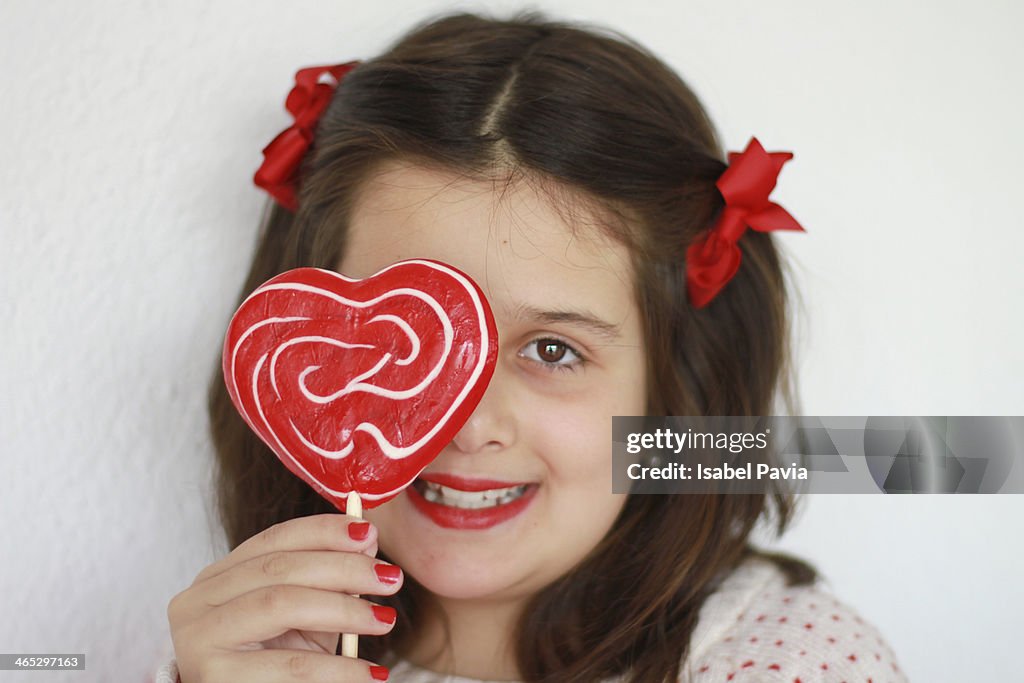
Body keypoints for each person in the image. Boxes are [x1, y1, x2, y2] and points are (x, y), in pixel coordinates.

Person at [156, 10, 906, 683]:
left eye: (551, 350)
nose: (469, 423)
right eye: (400, 342)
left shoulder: (790, 664)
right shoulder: (246, 661)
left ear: (673, 386)